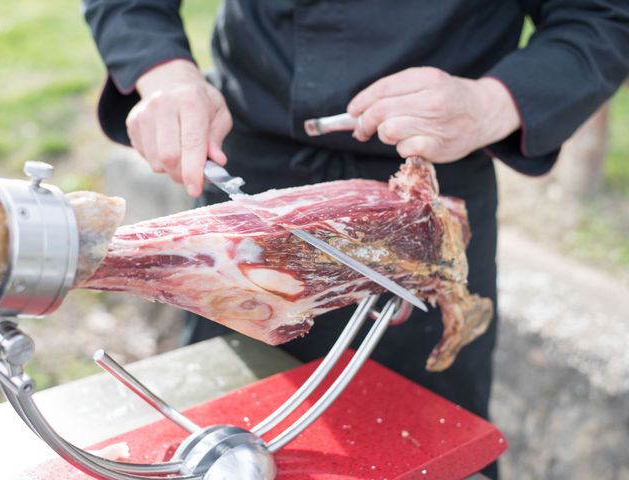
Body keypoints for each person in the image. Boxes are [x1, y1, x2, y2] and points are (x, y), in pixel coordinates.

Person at [83, 1, 629, 477]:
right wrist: (164, 72)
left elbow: (603, 15)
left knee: (426, 450)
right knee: (222, 438)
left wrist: (493, 102)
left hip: (426, 201)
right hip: (247, 186)